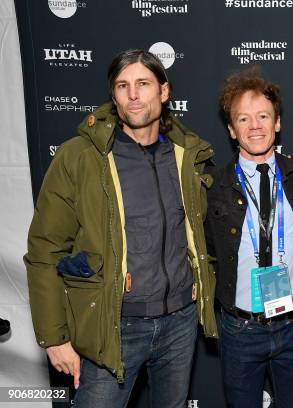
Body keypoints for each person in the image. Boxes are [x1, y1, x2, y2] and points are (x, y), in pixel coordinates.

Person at [24, 49, 217, 407]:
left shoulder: (187, 155)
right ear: (113, 97)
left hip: (179, 322)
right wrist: (54, 337)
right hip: (113, 324)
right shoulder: (81, 157)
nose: (133, 94)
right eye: (123, 86)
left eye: (143, 84)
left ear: (163, 91)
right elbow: (44, 250)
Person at [204, 67, 293, 408]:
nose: (255, 126)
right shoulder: (214, 187)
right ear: (231, 129)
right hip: (240, 331)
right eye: (244, 119)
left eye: (263, 116)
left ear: (277, 123)